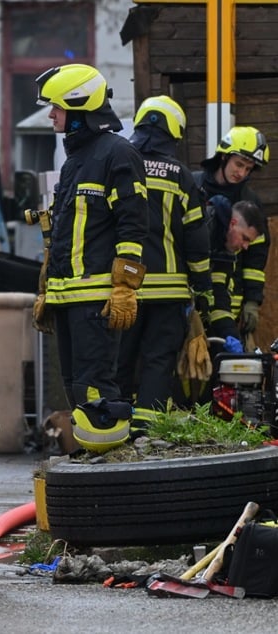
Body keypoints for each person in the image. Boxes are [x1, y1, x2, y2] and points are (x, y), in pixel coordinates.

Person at [32, 63, 149, 453]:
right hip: (70, 300)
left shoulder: (118, 154)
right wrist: (49, 290)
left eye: (57, 107)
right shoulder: (76, 161)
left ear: (80, 109)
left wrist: (125, 286)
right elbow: (66, 236)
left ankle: (110, 462)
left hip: (97, 300)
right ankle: (90, 457)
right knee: (75, 388)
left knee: (95, 388)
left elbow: (133, 225)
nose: (51, 115)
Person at [118, 96, 211, 437]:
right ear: (174, 133)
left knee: (120, 359)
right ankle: (146, 434)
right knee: (158, 361)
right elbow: (197, 241)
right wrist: (203, 291)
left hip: (124, 288)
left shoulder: (120, 166)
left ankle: (114, 429)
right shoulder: (181, 177)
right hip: (169, 293)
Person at [193, 126, 270, 343]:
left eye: (248, 168)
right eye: (239, 164)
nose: (242, 173)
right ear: (224, 157)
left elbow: (255, 258)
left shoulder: (250, 202)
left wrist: (252, 302)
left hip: (229, 302)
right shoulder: (193, 185)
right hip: (191, 299)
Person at [207, 196, 266, 344]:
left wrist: (229, 333)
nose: (245, 247)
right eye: (244, 238)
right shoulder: (204, 232)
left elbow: (218, 295)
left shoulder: (226, 252)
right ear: (232, 224)